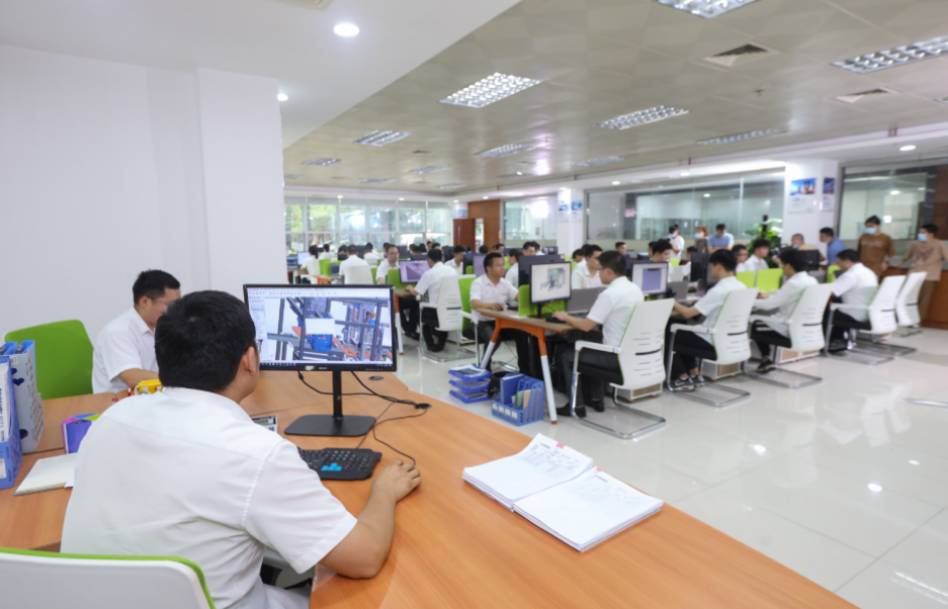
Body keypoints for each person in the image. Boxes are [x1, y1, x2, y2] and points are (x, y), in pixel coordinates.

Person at [66, 291, 421, 609]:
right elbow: (364, 558)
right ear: (249, 359)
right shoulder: (255, 453)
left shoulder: (112, 418)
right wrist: (384, 492)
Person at [551, 252, 643, 418]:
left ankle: (576, 406)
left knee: (568, 355)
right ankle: (597, 400)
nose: (598, 273)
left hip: (615, 358)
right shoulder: (635, 289)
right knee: (594, 345)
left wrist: (565, 316)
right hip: (634, 354)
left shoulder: (610, 294)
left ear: (608, 271)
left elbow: (586, 326)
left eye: (600, 270)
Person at [92, 270, 181, 394]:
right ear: (145, 302)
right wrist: (183, 380)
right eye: (171, 304)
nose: (176, 310)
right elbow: (132, 377)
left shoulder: (163, 326)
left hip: (152, 397)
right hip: (119, 401)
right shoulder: (118, 331)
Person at [668, 250, 746, 391]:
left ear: (719, 267)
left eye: (711, 267)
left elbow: (687, 313)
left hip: (714, 341)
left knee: (670, 332)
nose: (710, 270)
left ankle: (681, 377)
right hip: (734, 341)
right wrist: (703, 302)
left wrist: (671, 300)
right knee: (685, 332)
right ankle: (694, 374)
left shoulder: (719, 290)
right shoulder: (741, 286)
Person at [750, 249, 818, 373]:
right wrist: (770, 297)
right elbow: (785, 298)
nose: (781, 268)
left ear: (788, 265)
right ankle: (766, 359)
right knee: (763, 320)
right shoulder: (812, 280)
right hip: (807, 328)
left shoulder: (793, 283)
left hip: (789, 329)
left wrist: (748, 301)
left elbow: (768, 305)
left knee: (754, 323)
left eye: (782, 264)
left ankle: (766, 358)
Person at [469, 252, 528, 369]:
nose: (503, 268)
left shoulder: (505, 283)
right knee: (494, 337)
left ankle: (525, 369)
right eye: (498, 265)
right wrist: (490, 305)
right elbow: (474, 304)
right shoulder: (478, 283)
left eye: (503, 265)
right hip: (481, 321)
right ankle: (485, 367)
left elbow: (519, 297)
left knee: (521, 333)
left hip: (501, 321)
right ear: (488, 268)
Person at [824, 249, 878, 350]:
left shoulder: (851, 275)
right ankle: (840, 339)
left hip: (855, 314)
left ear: (847, 262)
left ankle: (833, 341)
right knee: (837, 303)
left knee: (824, 310)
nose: (839, 266)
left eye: (839, 263)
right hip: (870, 313)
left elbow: (829, 292)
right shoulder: (868, 272)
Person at [893, 224, 948, 320]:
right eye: (920, 232)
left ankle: (917, 320)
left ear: (931, 234)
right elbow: (907, 255)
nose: (920, 234)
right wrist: (899, 263)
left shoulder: (939, 244)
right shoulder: (915, 243)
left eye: (923, 232)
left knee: (923, 299)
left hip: (929, 275)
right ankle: (903, 318)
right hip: (913, 272)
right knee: (907, 296)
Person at [406, 249, 457, 352]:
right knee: (441, 309)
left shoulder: (429, 273)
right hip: (453, 310)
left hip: (436, 312)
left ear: (429, 260)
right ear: (441, 258)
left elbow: (416, 292)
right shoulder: (453, 271)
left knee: (419, 313)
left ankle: (430, 344)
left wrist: (410, 288)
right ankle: (441, 343)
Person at [377, 245, 420, 341]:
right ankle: (408, 329)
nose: (395, 255)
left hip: (400, 294)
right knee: (397, 304)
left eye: (396, 253)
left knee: (415, 302)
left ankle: (410, 330)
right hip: (387, 296)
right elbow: (380, 280)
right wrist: (393, 285)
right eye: (392, 253)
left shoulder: (400, 266)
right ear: (387, 255)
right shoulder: (383, 266)